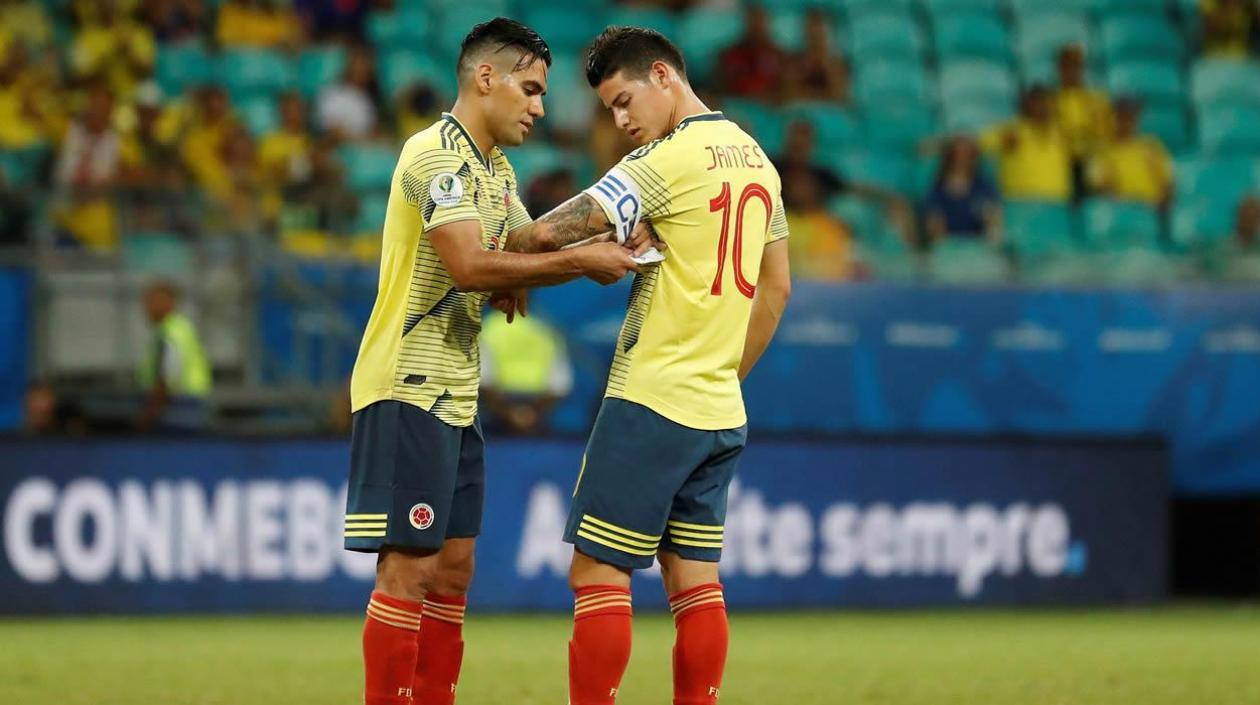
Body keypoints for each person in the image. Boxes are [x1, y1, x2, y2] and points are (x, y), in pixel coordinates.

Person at [342, 19, 643, 705]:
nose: (540, 107)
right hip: (408, 384)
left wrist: (620, 222)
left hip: (456, 390)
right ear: (486, 78)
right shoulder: (435, 155)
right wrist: (578, 262)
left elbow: (521, 244)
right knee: (409, 569)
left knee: (454, 569)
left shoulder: (495, 169)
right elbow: (472, 264)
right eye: (531, 89)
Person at [506, 26, 792, 705]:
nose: (621, 121)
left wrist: (495, 241)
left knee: (597, 573)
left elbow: (544, 233)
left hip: (651, 400)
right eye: (610, 109)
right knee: (695, 584)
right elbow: (777, 288)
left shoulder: (665, 160)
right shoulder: (757, 159)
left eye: (624, 100)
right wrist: (723, 374)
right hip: (719, 410)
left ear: (663, 76)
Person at [479, 311, 573, 435]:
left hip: (495, 413)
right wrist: (530, 414)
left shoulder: (486, 329)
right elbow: (560, 386)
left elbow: (482, 380)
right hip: (536, 413)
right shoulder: (546, 330)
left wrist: (511, 413)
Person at [137, 280, 212, 432]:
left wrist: (150, 414)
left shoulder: (171, 333)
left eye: (152, 302)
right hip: (185, 405)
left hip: (178, 407)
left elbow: (167, 376)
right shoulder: (177, 328)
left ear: (168, 302)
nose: (147, 308)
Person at [980, 85, 1072, 203]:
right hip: (1020, 203)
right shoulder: (1011, 130)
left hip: (1058, 204)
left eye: (1046, 102)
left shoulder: (1062, 132)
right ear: (1024, 105)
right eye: (1037, 102)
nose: (1043, 107)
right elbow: (981, 144)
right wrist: (1002, 141)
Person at [1087, 98, 1174, 209]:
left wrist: (1160, 205)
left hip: (1154, 210)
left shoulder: (1152, 146)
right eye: (1121, 117)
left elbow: (1168, 183)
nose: (1126, 123)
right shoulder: (1101, 152)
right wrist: (1131, 209)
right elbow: (1103, 189)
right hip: (1121, 212)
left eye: (1130, 118)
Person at [1052, 44, 1112, 198]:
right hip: (1062, 160)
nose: (1071, 71)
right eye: (1067, 66)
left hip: (1089, 160)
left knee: (1099, 169)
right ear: (1059, 68)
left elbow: (1104, 133)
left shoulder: (1096, 99)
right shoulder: (1050, 100)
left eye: (1076, 66)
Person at [924, 135, 1002, 243]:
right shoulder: (938, 188)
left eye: (966, 154)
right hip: (948, 245)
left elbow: (993, 219)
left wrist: (991, 228)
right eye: (957, 154)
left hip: (978, 244)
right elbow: (934, 222)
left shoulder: (983, 186)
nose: (961, 159)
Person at [717, 5, 787, 102]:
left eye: (760, 22)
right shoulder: (728, 56)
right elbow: (720, 87)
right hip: (737, 103)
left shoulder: (779, 56)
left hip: (770, 105)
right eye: (753, 22)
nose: (756, 27)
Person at [317, 45, 381, 142]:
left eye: (365, 68)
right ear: (349, 67)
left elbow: (373, 134)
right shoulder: (331, 94)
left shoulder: (367, 101)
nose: (361, 72)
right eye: (358, 67)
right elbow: (332, 132)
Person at [786, 8, 850, 104]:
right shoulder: (794, 63)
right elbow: (790, 97)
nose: (815, 38)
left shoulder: (838, 65)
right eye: (812, 33)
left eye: (819, 33)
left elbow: (840, 98)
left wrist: (824, 62)